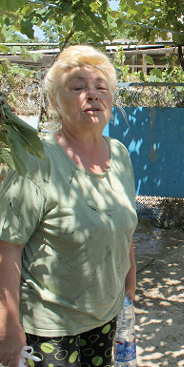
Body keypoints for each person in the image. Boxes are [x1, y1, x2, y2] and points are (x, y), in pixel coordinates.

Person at [0, 45, 138, 367]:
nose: (92, 95)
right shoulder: (36, 160)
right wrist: (7, 323)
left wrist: (129, 280)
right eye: (78, 87)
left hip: (106, 315)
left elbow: (124, 222)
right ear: (55, 102)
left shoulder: (119, 154)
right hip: (49, 327)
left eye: (101, 87)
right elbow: (8, 248)